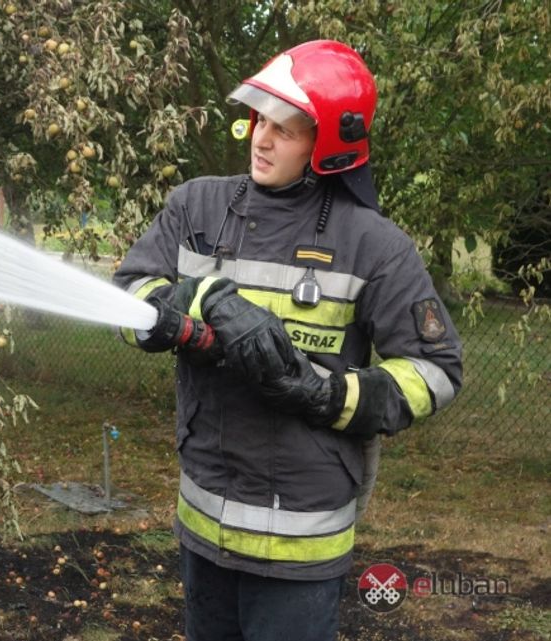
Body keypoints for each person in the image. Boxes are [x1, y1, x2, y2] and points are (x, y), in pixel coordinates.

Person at [113, 40, 463, 641]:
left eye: (287, 130)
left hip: (301, 541)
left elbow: (437, 371)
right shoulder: (197, 206)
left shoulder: (372, 243)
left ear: (327, 147)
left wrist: (323, 395)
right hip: (202, 518)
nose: (261, 140)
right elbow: (128, 298)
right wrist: (206, 300)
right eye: (259, 120)